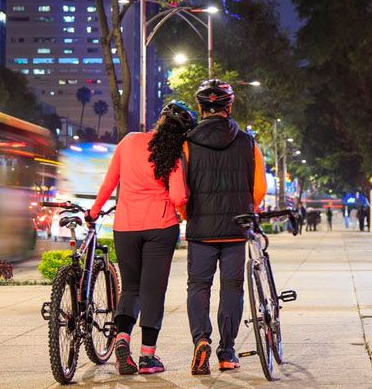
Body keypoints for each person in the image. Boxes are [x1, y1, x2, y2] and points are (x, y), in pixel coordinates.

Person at [88, 101, 196, 376]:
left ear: (159, 121)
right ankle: (148, 357)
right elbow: (178, 196)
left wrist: (94, 211)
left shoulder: (129, 141)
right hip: (160, 227)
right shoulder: (171, 153)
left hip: (125, 226)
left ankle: (122, 338)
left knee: (131, 288)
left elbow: (110, 181)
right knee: (153, 291)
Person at [181, 79, 267, 375]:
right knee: (232, 288)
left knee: (199, 286)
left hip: (200, 229)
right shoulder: (248, 142)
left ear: (200, 108)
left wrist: (187, 213)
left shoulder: (187, 142)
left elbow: (182, 189)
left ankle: (201, 341)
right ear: (229, 107)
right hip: (235, 229)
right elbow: (258, 190)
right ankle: (227, 350)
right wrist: (244, 207)